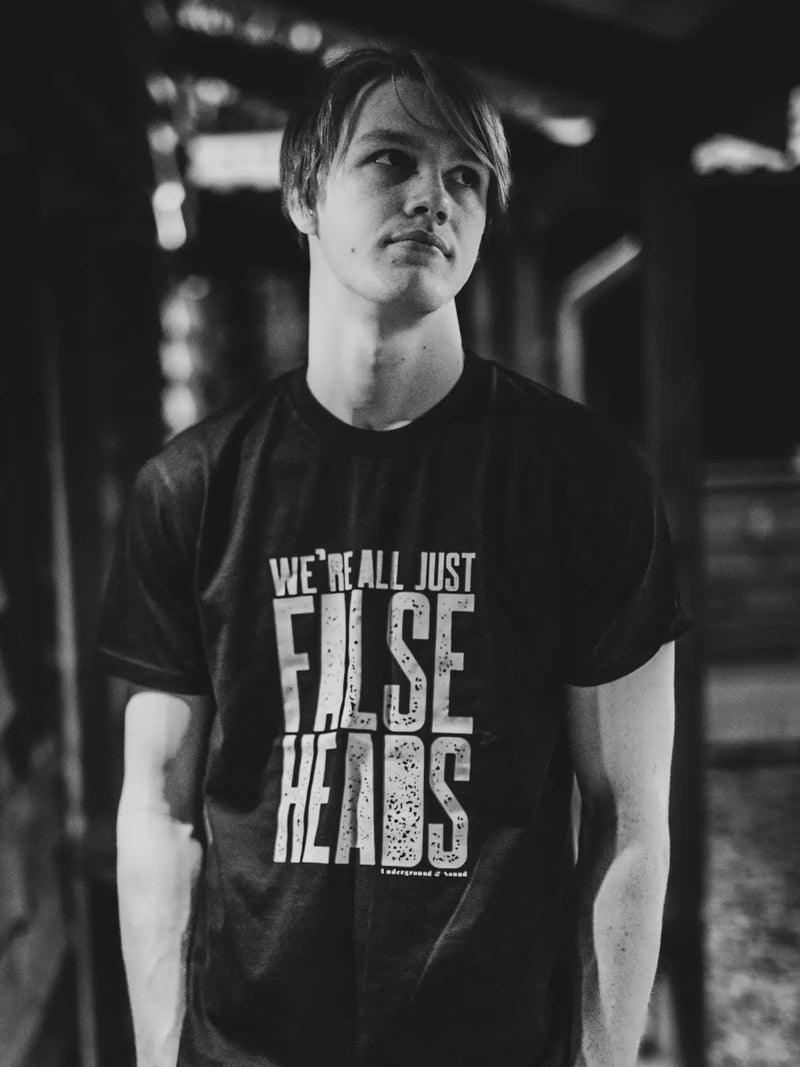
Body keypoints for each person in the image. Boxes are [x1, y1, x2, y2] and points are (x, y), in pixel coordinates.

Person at [95, 45, 689, 1067]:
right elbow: (157, 806)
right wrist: (160, 1051)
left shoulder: (583, 481)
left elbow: (627, 816)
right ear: (303, 192)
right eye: (389, 160)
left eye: (464, 176)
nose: (432, 195)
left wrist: (601, 1057)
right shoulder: (191, 489)